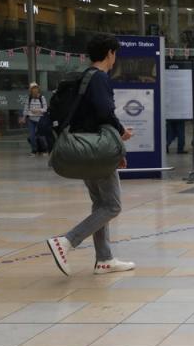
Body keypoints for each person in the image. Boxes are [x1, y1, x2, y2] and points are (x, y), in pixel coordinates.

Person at [46, 34, 135, 277]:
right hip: (97, 149)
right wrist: (121, 134)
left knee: (100, 204)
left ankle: (104, 259)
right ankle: (66, 242)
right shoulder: (100, 78)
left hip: (82, 147)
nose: (115, 58)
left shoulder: (83, 78)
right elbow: (106, 113)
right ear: (109, 54)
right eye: (114, 53)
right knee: (113, 205)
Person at [23, 83, 48, 156]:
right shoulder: (29, 98)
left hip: (40, 119)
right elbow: (26, 108)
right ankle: (34, 150)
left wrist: (38, 110)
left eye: (35, 89)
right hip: (31, 119)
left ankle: (45, 150)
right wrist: (24, 117)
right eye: (32, 90)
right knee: (32, 136)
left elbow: (45, 109)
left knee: (41, 136)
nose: (34, 91)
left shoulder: (42, 98)